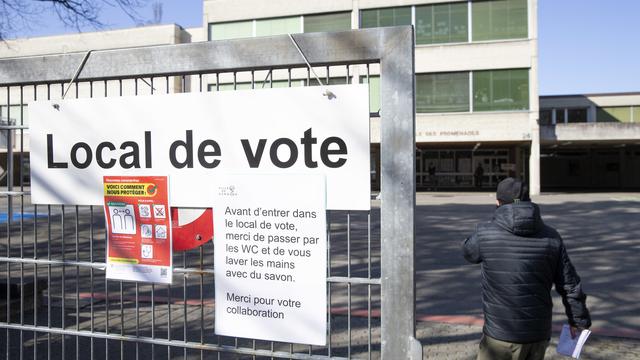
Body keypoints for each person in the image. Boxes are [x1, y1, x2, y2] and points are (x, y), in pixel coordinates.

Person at [462, 177, 591, 360]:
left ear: (498, 202)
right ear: (529, 201)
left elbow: (468, 252)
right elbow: (570, 285)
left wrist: (495, 219)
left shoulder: (485, 233)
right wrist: (578, 321)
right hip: (537, 335)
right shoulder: (552, 236)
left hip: (499, 334)